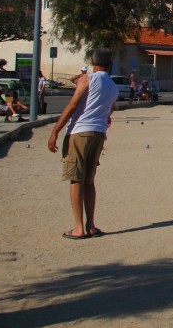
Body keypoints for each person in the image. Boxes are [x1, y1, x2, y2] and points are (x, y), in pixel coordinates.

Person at [47, 48, 119, 240]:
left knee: (75, 178)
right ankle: (91, 225)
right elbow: (109, 111)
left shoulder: (88, 80)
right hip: (98, 133)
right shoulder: (113, 85)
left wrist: (55, 131)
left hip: (80, 131)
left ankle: (78, 228)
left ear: (91, 61)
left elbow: (72, 105)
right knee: (89, 180)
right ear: (110, 64)